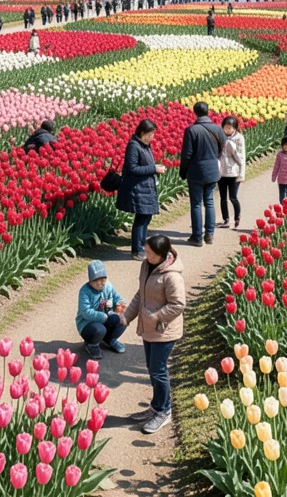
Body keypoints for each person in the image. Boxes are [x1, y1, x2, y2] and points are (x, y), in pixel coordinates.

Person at [121, 235, 185, 435]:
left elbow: (178, 305)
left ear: (162, 255)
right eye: (146, 250)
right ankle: (156, 407)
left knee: (158, 370)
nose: (145, 255)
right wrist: (127, 316)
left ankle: (164, 411)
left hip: (164, 331)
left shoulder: (172, 276)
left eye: (150, 253)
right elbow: (141, 294)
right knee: (152, 368)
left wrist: (156, 316)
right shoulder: (147, 266)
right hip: (149, 328)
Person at [179, 101, 225, 246]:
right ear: (208, 111)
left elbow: (187, 154)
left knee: (196, 204)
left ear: (195, 112)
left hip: (196, 171)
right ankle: (209, 234)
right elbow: (222, 146)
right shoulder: (217, 129)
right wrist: (213, 158)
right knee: (210, 201)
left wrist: (183, 171)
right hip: (212, 170)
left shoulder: (191, 130)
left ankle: (197, 237)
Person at [117, 119, 164, 261]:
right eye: (150, 134)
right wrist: (153, 168)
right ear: (142, 132)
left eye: (153, 133)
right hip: (137, 188)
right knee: (141, 218)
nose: (152, 137)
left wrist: (155, 167)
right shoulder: (133, 146)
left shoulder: (145, 145)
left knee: (146, 216)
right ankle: (137, 249)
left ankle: (142, 245)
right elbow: (132, 168)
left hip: (146, 187)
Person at [77, 260, 127, 360]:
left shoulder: (108, 286)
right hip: (88, 323)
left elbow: (117, 297)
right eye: (96, 281)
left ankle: (110, 339)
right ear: (90, 280)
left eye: (103, 281)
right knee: (99, 330)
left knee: (123, 320)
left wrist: (120, 303)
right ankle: (91, 344)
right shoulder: (84, 291)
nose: (100, 284)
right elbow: (86, 312)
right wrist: (102, 316)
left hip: (106, 317)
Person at [216, 116, 245, 229]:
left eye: (230, 128)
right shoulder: (220, 136)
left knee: (233, 197)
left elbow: (241, 157)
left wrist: (242, 174)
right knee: (223, 198)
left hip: (234, 172)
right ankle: (226, 219)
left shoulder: (239, 138)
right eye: (226, 127)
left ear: (235, 128)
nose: (227, 130)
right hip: (221, 172)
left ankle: (237, 216)